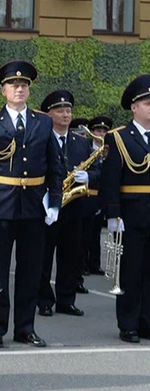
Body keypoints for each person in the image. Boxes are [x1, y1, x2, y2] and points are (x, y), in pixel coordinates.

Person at [0, 60, 65, 349]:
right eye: (14, 85)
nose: (20, 89)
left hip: (34, 208)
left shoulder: (43, 122)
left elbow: (55, 165)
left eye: (24, 85)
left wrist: (55, 200)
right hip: (1, 207)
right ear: (3, 90)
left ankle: (25, 328)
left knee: (31, 271)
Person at [36, 90, 97, 318]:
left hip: (74, 208)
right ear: (48, 113)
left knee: (71, 257)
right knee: (43, 256)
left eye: (68, 110)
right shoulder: (40, 139)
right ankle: (43, 300)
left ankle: (66, 300)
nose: (65, 114)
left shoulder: (81, 143)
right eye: (60, 110)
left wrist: (88, 177)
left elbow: (97, 170)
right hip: (47, 207)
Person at [100, 76, 150, 343]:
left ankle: (147, 322)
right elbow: (110, 180)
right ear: (134, 107)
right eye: (147, 102)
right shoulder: (118, 137)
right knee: (129, 272)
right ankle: (128, 324)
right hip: (130, 213)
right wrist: (112, 214)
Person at [83, 115, 113, 279]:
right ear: (92, 132)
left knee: (95, 234)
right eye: (98, 130)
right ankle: (83, 264)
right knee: (84, 234)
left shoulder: (111, 149)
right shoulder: (86, 148)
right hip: (86, 195)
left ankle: (94, 264)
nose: (101, 133)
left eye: (104, 131)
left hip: (101, 197)